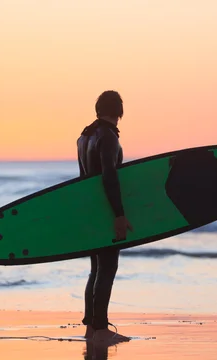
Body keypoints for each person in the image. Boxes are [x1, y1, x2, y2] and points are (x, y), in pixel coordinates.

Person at [77, 90, 133, 345]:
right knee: (108, 267)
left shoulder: (84, 136)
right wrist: (119, 215)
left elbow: (83, 180)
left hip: (90, 211)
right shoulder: (108, 137)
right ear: (119, 111)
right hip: (105, 211)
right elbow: (110, 176)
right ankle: (100, 330)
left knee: (96, 269)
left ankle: (92, 327)